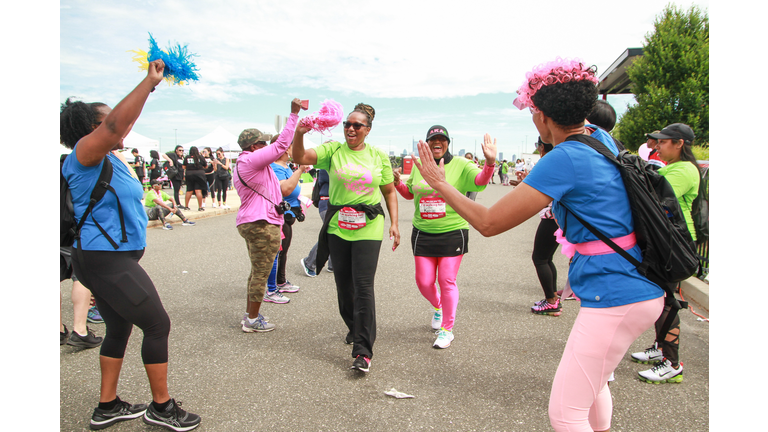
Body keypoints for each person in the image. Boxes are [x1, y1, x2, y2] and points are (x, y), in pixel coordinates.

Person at [413, 57, 664, 432]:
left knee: (565, 415)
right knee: (592, 388)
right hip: (637, 287)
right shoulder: (599, 137)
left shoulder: (565, 157)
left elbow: (488, 222)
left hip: (616, 295)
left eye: (533, 111)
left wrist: (440, 183)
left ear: (544, 116)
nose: (532, 117)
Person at [60, 59, 201, 431]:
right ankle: (162, 407)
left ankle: (107, 406)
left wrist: (151, 90)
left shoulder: (112, 157)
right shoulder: (84, 155)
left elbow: (120, 124)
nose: (124, 124)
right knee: (157, 325)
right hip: (104, 259)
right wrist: (147, 81)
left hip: (108, 258)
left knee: (120, 329)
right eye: (109, 120)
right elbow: (114, 124)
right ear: (91, 129)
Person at [292, 102, 400, 373]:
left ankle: (363, 351)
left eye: (357, 125)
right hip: (338, 226)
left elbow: (388, 191)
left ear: (368, 129)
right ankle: (354, 327)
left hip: (369, 226)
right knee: (344, 286)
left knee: (363, 286)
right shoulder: (332, 150)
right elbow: (301, 157)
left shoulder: (378, 156)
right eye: (347, 124)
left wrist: (395, 223)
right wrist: (299, 133)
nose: (350, 129)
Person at [393, 126, 495, 348]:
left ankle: (447, 330)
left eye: (442, 139)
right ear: (428, 143)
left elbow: (480, 182)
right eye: (433, 139)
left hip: (452, 230)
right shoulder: (422, 166)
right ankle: (438, 307)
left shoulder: (460, 164)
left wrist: (489, 163)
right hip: (423, 231)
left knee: (446, 280)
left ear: (448, 142)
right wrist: (398, 182)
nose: (437, 143)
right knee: (424, 281)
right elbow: (410, 193)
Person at [631, 123, 699, 384]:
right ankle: (660, 348)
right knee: (660, 298)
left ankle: (672, 363)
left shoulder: (684, 170)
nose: (658, 146)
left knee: (668, 300)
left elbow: (653, 195)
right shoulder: (672, 167)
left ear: (679, 143)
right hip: (666, 242)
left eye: (663, 142)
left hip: (676, 243)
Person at [234, 98, 302, 333]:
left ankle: (250, 315)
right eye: (263, 142)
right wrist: (294, 114)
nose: (266, 146)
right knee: (261, 273)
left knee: (256, 272)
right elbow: (281, 144)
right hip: (261, 223)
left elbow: (281, 190)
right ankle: (252, 320)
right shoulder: (252, 160)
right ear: (254, 146)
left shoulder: (248, 164)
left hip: (253, 220)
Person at [528, 137, 564, 316]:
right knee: (547, 258)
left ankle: (551, 302)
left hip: (551, 218)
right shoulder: (561, 159)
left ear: (542, 147)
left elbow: (541, 194)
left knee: (540, 259)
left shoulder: (547, 162)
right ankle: (553, 298)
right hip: (561, 219)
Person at [269, 136, 307, 295]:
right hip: (281, 215)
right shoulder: (276, 167)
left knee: (284, 250)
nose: (293, 150)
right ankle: (278, 283)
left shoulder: (284, 166)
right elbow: (284, 190)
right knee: (280, 251)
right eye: (291, 146)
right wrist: (300, 169)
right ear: (284, 149)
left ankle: (280, 281)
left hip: (290, 213)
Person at [300, 168, 333, 277]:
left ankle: (332, 264)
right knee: (329, 235)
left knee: (334, 234)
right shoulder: (328, 166)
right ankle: (309, 262)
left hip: (332, 204)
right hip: (327, 203)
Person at [182, 146, 208, 211]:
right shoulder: (200, 157)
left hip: (189, 174)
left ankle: (186, 206)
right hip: (199, 175)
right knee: (198, 190)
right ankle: (200, 207)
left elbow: (183, 166)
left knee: (189, 190)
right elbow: (206, 166)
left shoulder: (187, 157)